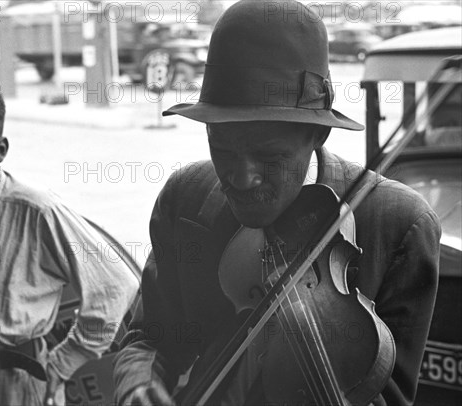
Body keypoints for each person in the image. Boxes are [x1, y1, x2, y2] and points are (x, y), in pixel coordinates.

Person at [113, 1, 440, 405]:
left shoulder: (399, 226)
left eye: (270, 159)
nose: (241, 177)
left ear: (317, 137)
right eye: (223, 149)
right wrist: (139, 387)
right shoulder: (186, 198)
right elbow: (147, 336)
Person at [0, 69, 140, 405]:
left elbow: (115, 285)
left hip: (18, 382)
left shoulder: (37, 211)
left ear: (0, 149)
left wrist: (62, 365)